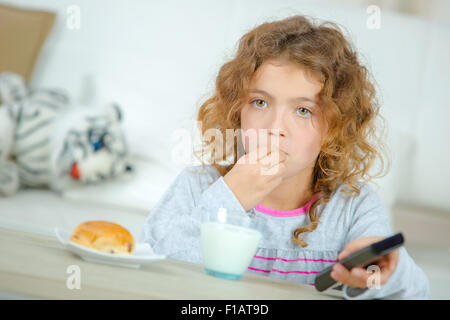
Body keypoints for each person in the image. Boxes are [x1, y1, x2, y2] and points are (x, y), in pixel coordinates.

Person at [140, 14, 430, 300]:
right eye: (260, 102)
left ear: (335, 127)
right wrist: (231, 197)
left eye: (303, 110)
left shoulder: (353, 208)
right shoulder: (196, 187)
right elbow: (147, 273)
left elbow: (416, 293)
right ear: (236, 110)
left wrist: (385, 271)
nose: (275, 128)